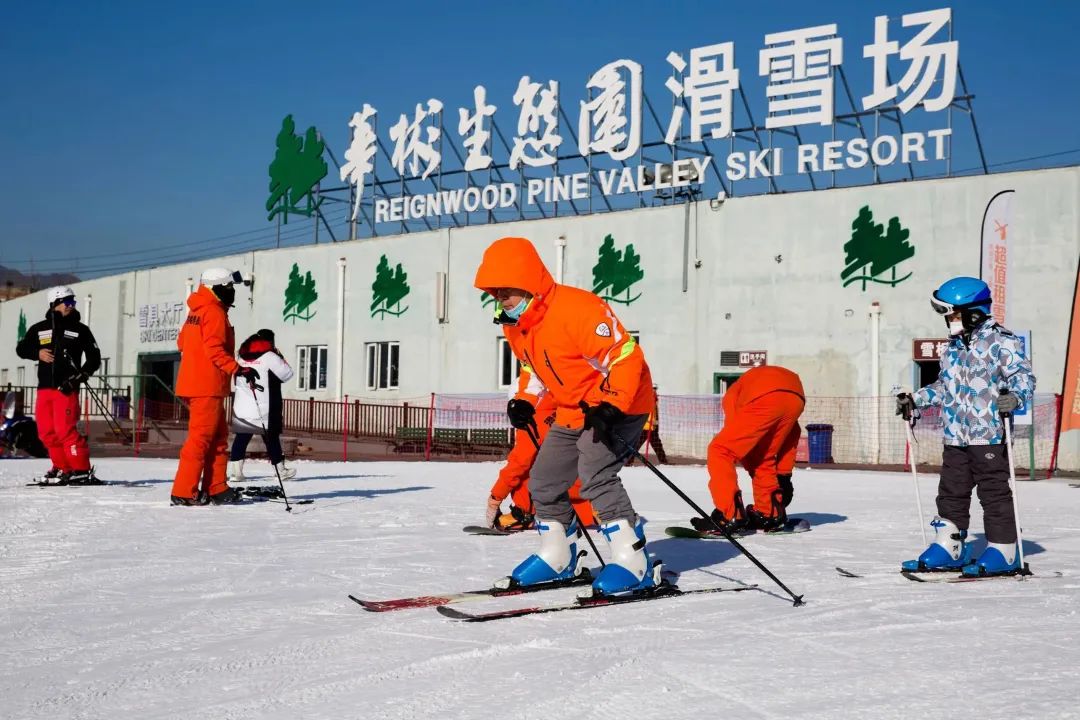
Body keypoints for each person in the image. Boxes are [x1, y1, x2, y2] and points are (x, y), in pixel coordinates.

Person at [474, 236, 659, 596]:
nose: (499, 300)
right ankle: (557, 555)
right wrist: (525, 399)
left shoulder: (577, 309)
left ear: (527, 283)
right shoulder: (517, 324)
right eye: (494, 293)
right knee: (543, 479)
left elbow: (625, 357)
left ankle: (634, 563)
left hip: (621, 404)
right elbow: (533, 368)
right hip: (573, 408)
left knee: (595, 472)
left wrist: (613, 403)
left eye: (505, 291)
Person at [898, 276, 1035, 576]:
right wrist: (916, 399)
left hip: (988, 434)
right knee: (951, 492)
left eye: (953, 314)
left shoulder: (1002, 342)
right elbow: (944, 387)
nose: (949, 320)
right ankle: (950, 546)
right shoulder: (953, 348)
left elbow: (1024, 379)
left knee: (994, 492)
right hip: (956, 435)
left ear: (974, 312)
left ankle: (1003, 549)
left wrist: (1014, 397)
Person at [170, 268, 259, 506]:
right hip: (206, 386)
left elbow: (182, 343)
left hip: (199, 384)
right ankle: (184, 490)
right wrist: (238, 369)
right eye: (229, 287)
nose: (232, 292)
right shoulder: (213, 312)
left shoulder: (196, 312)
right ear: (215, 288)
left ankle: (216, 487)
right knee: (200, 439)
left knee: (218, 438)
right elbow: (214, 350)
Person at [694, 365, 805, 533]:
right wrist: (783, 475)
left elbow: (734, 447)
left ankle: (729, 515)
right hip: (796, 394)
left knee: (719, 450)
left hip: (765, 393)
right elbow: (793, 434)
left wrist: (782, 475)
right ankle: (770, 515)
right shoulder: (750, 387)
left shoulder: (732, 396)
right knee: (763, 457)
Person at [486, 370, 597, 531]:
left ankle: (523, 514)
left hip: (561, 488)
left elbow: (518, 463)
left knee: (526, 469)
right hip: (585, 487)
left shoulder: (531, 420)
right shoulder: (562, 410)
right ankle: (599, 511)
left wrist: (495, 497)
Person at [15, 286, 102, 484]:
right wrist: (37, 353)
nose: (71, 306)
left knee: (65, 431)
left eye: (73, 302)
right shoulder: (39, 328)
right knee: (46, 432)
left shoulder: (80, 330)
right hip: (45, 388)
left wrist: (79, 377)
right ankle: (63, 467)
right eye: (68, 302)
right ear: (55, 304)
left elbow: (94, 358)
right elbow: (21, 348)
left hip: (66, 388)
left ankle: (80, 469)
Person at [228, 329, 297, 482]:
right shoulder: (270, 356)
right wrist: (279, 356)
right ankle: (280, 471)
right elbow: (287, 374)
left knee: (242, 438)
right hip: (267, 404)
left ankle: (236, 472)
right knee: (271, 438)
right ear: (270, 342)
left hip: (243, 404)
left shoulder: (241, 356)